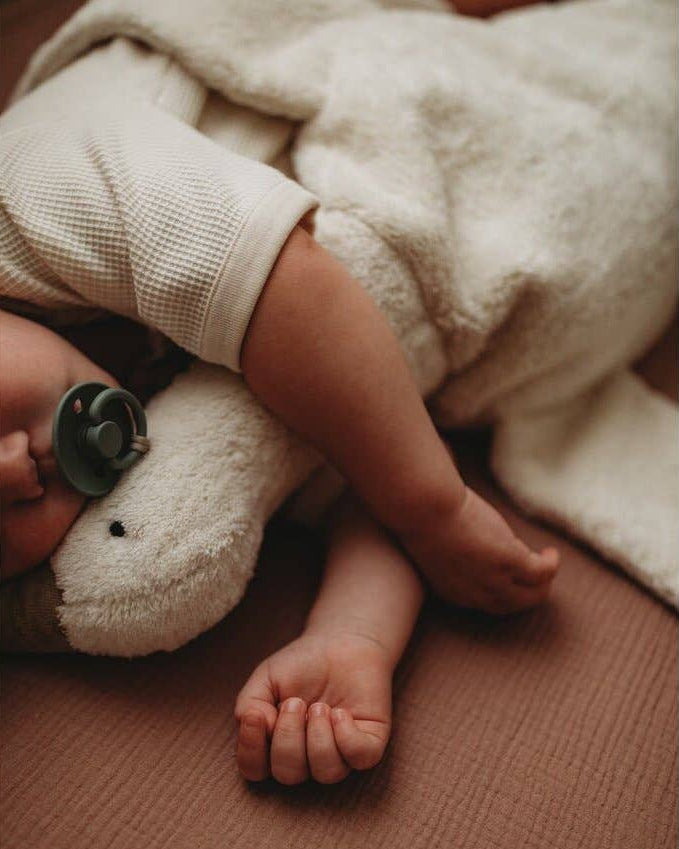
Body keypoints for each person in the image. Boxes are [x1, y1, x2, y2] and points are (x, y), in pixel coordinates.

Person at [0, 0, 558, 785]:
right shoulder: (108, 466)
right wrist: (352, 637)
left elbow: (284, 288)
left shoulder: (31, 189)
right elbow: (340, 470)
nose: (14, 474)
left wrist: (432, 508)